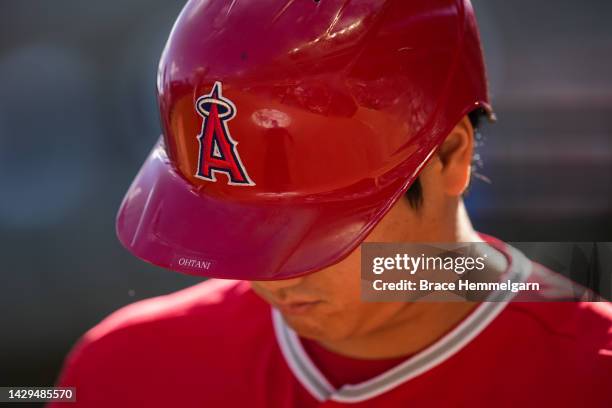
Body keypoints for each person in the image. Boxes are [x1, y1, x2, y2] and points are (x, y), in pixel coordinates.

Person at [51, 0, 611, 406]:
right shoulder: (125, 371)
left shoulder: (591, 377)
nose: (273, 277)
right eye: (238, 229)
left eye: (317, 232)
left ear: (449, 159)